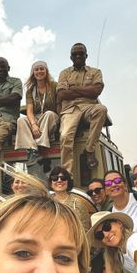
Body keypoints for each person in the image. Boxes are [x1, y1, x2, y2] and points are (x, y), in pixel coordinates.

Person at [57, 42, 108, 175]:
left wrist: (73, 89)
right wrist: (86, 90)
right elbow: (62, 94)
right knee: (65, 135)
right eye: (75, 54)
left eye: (81, 53)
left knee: (101, 109)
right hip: (70, 109)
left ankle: (89, 150)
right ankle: (66, 174)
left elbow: (96, 91)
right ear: (71, 57)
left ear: (86, 55)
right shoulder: (64, 73)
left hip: (89, 107)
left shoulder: (95, 72)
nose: (78, 56)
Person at [14, 61, 59, 165]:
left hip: (52, 117)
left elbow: (59, 105)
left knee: (49, 114)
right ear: (33, 73)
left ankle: (41, 146)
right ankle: (32, 149)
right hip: (37, 118)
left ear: (46, 71)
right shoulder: (30, 90)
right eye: (36, 69)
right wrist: (33, 125)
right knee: (21, 120)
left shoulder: (54, 86)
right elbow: (29, 111)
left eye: (42, 69)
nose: (39, 71)